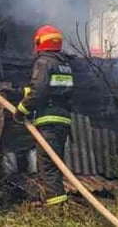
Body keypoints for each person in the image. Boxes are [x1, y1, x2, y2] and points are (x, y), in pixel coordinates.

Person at [14, 25, 76, 207]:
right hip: (62, 120)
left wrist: (21, 110)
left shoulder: (44, 62)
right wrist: (22, 92)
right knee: (54, 164)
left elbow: (39, 92)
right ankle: (54, 203)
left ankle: (56, 208)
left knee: (47, 166)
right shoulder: (64, 65)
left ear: (40, 42)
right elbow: (53, 90)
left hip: (48, 120)